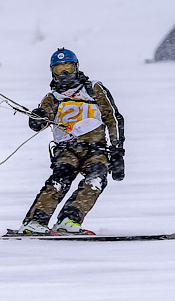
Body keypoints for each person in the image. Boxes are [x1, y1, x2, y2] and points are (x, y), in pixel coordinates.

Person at [17, 48, 125, 235]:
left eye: (68, 68)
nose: (64, 73)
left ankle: (69, 220)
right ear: (52, 72)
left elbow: (113, 117)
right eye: (59, 69)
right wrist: (37, 118)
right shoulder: (52, 98)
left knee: (96, 180)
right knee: (60, 180)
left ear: (76, 67)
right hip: (67, 149)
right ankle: (34, 222)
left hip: (96, 149)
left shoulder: (93, 89)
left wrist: (117, 148)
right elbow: (40, 123)